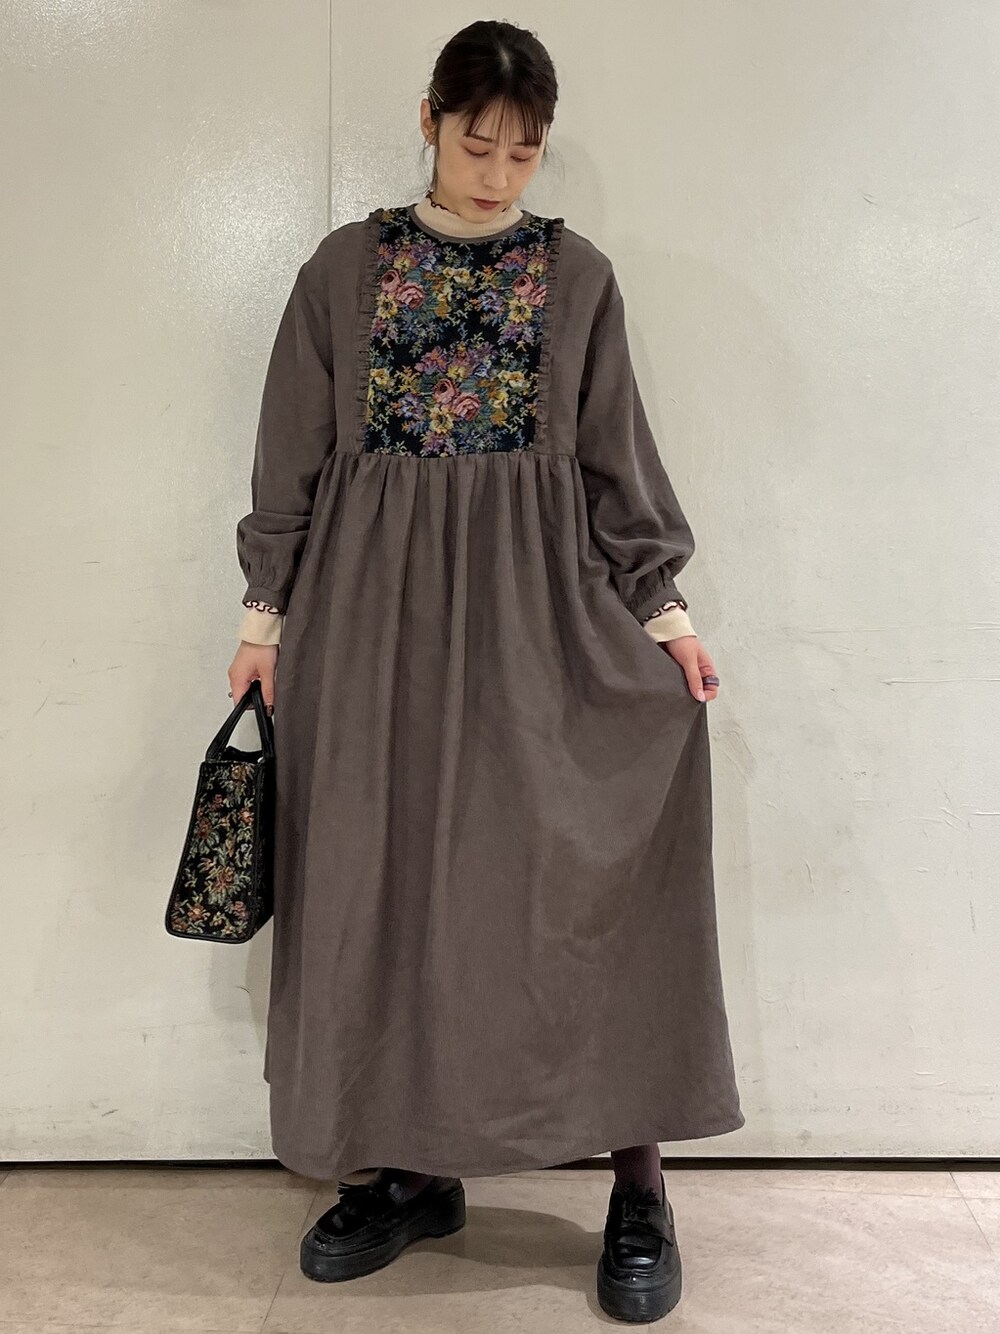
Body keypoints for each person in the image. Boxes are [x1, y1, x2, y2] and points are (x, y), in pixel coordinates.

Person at [227, 19, 743, 1324]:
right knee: (390, 888)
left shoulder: (578, 279)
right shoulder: (343, 272)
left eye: (522, 151)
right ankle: (412, 1168)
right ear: (429, 121)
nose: (498, 172)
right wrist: (262, 619)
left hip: (539, 627)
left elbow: (616, 458)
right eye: (476, 143)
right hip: (369, 632)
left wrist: (667, 613)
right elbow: (290, 453)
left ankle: (638, 1181)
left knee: (576, 890)